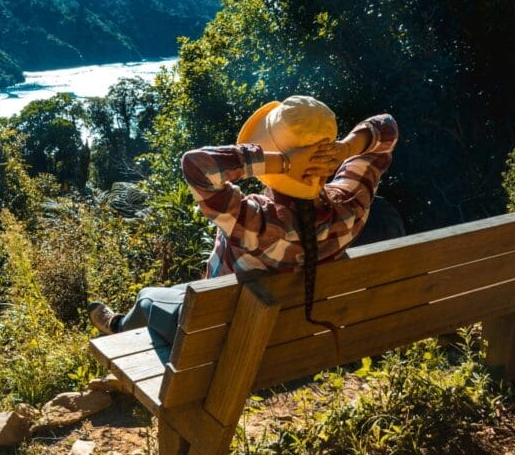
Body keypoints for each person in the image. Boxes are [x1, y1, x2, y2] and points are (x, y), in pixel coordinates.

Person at [88, 95, 400, 342]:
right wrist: (345, 148)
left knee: (147, 298)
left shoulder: (255, 221)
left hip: (226, 336)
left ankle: (117, 326)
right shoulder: (350, 207)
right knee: (183, 292)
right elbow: (386, 128)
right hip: (298, 336)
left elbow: (197, 166)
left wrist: (283, 163)